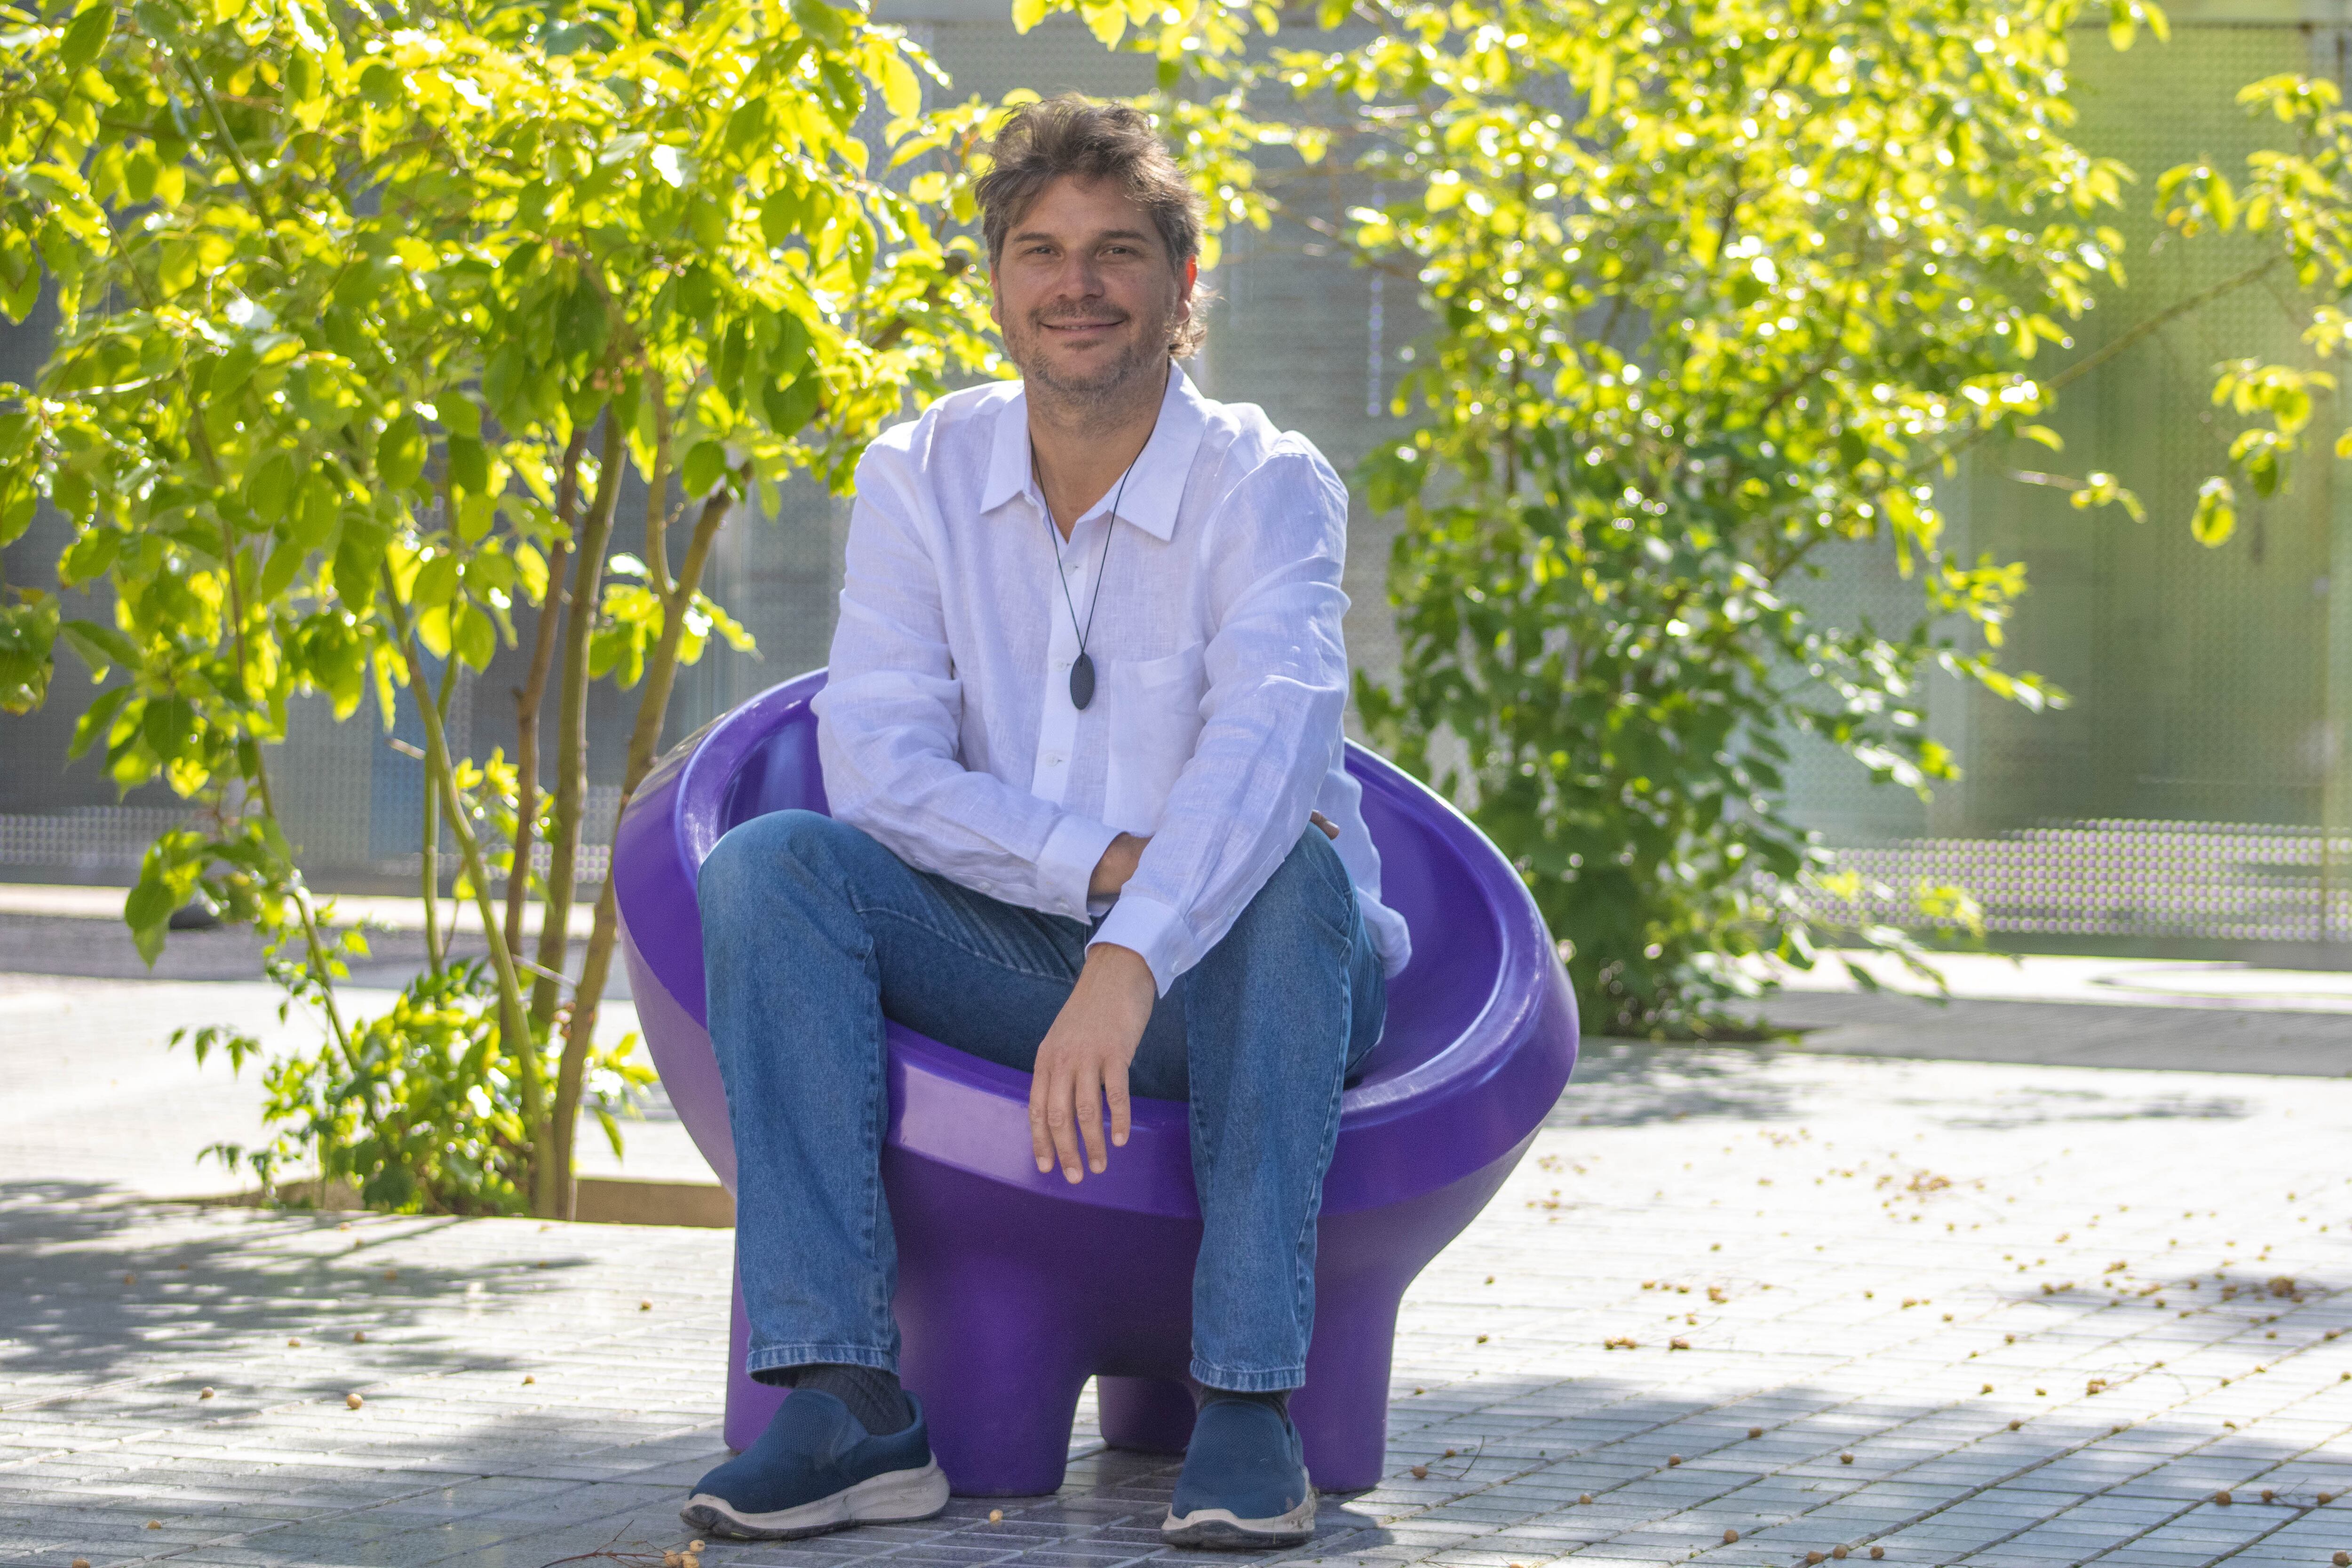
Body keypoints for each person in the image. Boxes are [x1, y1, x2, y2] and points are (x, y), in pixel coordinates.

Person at [681, 94, 1411, 1550]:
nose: (1076, 283)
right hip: (1028, 957)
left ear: (1180, 286)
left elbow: (1270, 750)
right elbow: (879, 767)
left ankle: (1249, 1403)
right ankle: (847, 1402)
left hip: (1263, 978)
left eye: (1117, 250)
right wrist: (1091, 880)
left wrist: (1134, 951)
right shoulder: (917, 474)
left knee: (1288, 879)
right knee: (777, 869)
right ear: (998, 284)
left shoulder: (1266, 481)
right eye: (1040, 250)